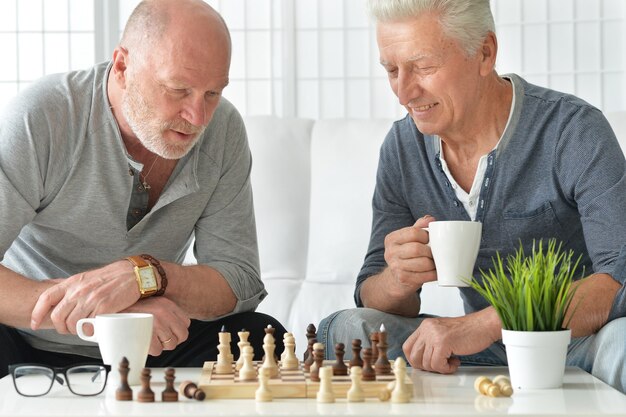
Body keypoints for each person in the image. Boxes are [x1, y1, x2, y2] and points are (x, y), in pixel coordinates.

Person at [319, 0, 626, 393]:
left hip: (574, 345)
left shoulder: (573, 131)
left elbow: (618, 279)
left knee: (623, 342)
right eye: (392, 71)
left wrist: (482, 324)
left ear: (485, 53)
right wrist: (397, 278)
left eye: (424, 67)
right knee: (350, 328)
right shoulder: (402, 147)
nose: (404, 92)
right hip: (479, 355)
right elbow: (371, 293)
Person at [0, 0, 286, 379]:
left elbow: (238, 279)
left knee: (263, 337)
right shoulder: (43, 117)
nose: (198, 118)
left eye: (213, 93)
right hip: (30, 338)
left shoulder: (223, 131)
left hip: (153, 340)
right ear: (122, 67)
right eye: (178, 89)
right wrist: (106, 311)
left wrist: (145, 277)